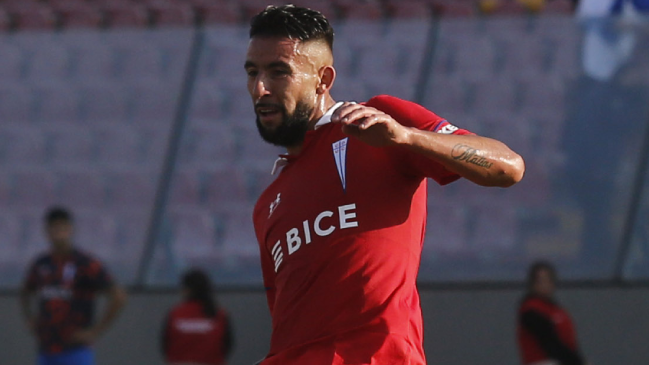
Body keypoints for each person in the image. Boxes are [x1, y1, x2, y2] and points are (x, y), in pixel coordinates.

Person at [246, 5, 525, 365]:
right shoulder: (266, 205)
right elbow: (288, 332)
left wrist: (406, 137)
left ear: (323, 79)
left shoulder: (379, 123)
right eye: (252, 72)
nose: (260, 88)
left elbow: (508, 167)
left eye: (278, 72)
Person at [19, 206, 127, 365]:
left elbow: (118, 296)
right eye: (55, 228)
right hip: (46, 349)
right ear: (47, 231)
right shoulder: (41, 264)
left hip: (75, 350)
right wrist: (30, 319)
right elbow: (25, 292)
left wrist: (95, 331)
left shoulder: (86, 264)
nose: (60, 234)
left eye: (63, 228)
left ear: (71, 229)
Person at [517, 261, 586, 365]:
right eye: (541, 281)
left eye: (549, 280)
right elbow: (550, 343)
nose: (546, 285)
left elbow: (568, 341)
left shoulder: (555, 309)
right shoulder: (531, 311)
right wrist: (577, 362)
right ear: (532, 284)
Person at [161, 268, 234, 365]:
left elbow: (165, 344)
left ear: (187, 289)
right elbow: (227, 345)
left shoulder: (176, 314)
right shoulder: (219, 315)